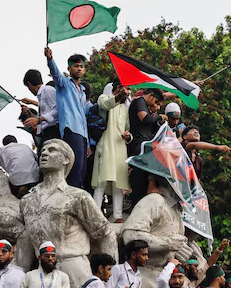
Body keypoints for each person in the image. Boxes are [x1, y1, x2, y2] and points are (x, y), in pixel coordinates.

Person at [19, 138, 118, 288]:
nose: (44, 153)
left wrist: (110, 278)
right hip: (41, 272)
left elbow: (105, 233)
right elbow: (25, 239)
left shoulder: (77, 196)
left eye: (52, 150)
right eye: (43, 150)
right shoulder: (26, 201)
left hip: (73, 268)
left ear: (66, 160)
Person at [45, 47, 90, 188]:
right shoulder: (65, 84)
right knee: (74, 168)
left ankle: (78, 194)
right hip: (71, 129)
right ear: (69, 69)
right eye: (76, 66)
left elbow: (84, 116)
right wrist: (50, 59)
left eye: (81, 66)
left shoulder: (82, 91)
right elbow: (56, 74)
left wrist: (88, 143)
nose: (79, 69)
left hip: (83, 134)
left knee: (82, 170)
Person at [92, 79, 132, 223]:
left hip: (120, 147)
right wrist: (119, 97)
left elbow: (128, 128)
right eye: (126, 89)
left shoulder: (125, 108)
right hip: (106, 145)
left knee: (119, 184)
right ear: (119, 88)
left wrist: (128, 135)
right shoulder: (104, 98)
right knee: (101, 181)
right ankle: (96, 214)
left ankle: (118, 216)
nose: (128, 93)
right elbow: (105, 105)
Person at [127, 88, 166, 204]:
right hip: (139, 144)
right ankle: (151, 185)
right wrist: (160, 117)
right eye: (157, 103)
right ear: (151, 96)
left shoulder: (147, 108)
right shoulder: (139, 101)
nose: (158, 108)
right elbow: (144, 119)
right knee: (140, 177)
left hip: (145, 144)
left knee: (142, 179)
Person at [21, 69, 60, 148]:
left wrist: (38, 119)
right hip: (45, 132)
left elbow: (57, 110)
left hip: (54, 131)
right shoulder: (40, 96)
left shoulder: (47, 90)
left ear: (29, 84)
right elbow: (44, 117)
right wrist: (29, 113)